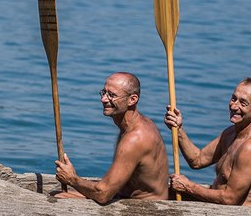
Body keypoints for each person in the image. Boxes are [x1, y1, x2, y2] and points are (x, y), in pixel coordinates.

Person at [54, 72, 170, 203]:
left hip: (147, 208)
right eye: (104, 92)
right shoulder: (138, 124)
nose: (103, 99)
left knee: (59, 198)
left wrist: (72, 179)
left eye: (112, 95)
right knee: (58, 193)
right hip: (124, 196)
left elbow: (103, 194)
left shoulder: (135, 138)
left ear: (132, 99)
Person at [163, 77, 251, 207]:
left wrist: (188, 187)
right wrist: (178, 129)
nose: (234, 106)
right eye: (233, 99)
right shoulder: (230, 133)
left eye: (243, 103)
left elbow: (230, 199)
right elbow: (197, 160)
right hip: (219, 213)